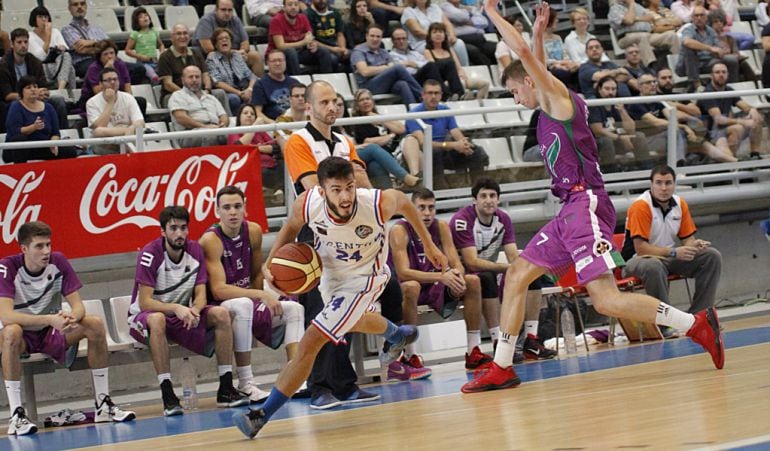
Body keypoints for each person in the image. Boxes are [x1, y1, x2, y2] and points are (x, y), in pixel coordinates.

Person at [462, 0, 725, 394]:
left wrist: (491, 12)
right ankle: (501, 366)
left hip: (584, 205)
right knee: (517, 275)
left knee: (605, 300)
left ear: (530, 82)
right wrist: (538, 31)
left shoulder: (555, 98)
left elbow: (522, 58)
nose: (517, 100)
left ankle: (697, 324)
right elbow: (532, 61)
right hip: (568, 210)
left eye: (515, 91)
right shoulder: (548, 97)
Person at [233, 156, 447, 439]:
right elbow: (290, 226)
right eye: (336, 189)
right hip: (329, 276)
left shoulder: (376, 203)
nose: (345, 196)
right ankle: (396, 335)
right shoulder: (308, 204)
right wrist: (270, 264)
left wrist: (429, 245)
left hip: (365, 278)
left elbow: (406, 203)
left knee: (310, 341)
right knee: (351, 321)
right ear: (322, 191)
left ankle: (260, 415)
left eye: (349, 187)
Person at [281, 81, 378, 411]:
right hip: (315, 234)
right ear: (308, 107)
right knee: (320, 311)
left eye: (335, 101)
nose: (332, 107)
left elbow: (364, 185)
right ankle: (319, 384)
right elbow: (313, 190)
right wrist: (349, 186)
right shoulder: (298, 141)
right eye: (324, 102)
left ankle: (344, 383)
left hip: (348, 233)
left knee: (348, 306)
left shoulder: (344, 141)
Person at [0, 221, 135, 436]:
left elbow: (78, 305)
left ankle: (103, 405)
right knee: (10, 332)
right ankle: (16, 415)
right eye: (39, 246)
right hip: (23, 337)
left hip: (51, 333)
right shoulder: (7, 267)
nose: (46, 251)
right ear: (24, 249)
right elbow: (6, 316)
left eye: (48, 245)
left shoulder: (59, 262)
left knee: (95, 324)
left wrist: (72, 317)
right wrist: (49, 319)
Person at [128, 206, 248, 416]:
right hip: (146, 317)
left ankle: (226, 388)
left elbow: (200, 294)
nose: (179, 234)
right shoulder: (149, 253)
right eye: (173, 228)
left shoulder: (195, 250)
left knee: (221, 314)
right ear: (163, 231)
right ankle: (168, 394)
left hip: (181, 314)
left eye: (183, 228)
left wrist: (194, 310)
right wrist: (176, 308)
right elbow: (145, 302)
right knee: (157, 320)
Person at [199, 186, 306, 402]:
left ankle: (296, 380)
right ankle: (246, 383)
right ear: (216, 211)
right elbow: (218, 289)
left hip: (248, 298)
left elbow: (256, 272)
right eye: (226, 207)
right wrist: (260, 295)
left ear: (245, 208)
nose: (232, 212)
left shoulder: (254, 231)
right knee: (242, 305)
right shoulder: (210, 240)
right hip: (218, 307)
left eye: (237, 206)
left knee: (295, 309)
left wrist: (264, 295)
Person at [450, 178, 556, 364]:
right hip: (461, 277)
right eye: (483, 196)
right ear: (474, 199)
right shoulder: (462, 220)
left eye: (492, 196)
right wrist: (509, 268)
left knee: (531, 277)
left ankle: (531, 339)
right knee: (487, 277)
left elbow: (513, 256)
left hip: (488, 272)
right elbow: (472, 262)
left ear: (498, 199)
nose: (489, 200)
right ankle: (498, 342)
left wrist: (523, 269)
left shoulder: (503, 219)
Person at [390, 187, 488, 379]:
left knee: (473, 281)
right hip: (409, 288)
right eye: (421, 208)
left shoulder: (441, 227)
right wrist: (442, 277)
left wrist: (456, 276)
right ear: (411, 208)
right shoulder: (399, 230)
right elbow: (403, 273)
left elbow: (455, 262)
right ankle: (411, 355)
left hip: (437, 284)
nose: (427, 213)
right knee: (411, 286)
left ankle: (473, 350)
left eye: (431, 208)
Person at [622, 165, 722, 320]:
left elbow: (688, 238)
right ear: (651, 184)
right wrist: (675, 252)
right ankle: (666, 322)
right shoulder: (640, 206)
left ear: (674, 185)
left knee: (711, 256)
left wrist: (693, 246)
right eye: (659, 183)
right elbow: (641, 249)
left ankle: (699, 317)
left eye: (668, 183)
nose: (663, 188)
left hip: (667, 258)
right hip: (637, 261)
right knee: (653, 266)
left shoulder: (680, 204)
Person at [629, 72, 735, 163]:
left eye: (654, 82)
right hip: (646, 141)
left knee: (700, 143)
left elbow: (671, 117)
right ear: (639, 87)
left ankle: (735, 163)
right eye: (648, 83)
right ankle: (678, 168)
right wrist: (685, 127)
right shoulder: (636, 103)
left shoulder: (658, 100)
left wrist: (688, 125)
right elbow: (656, 122)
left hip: (665, 137)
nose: (652, 85)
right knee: (678, 132)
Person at [402, 79, 489, 188]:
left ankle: (479, 189)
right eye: (430, 93)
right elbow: (423, 143)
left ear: (441, 95)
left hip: (445, 151)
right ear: (423, 95)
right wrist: (453, 145)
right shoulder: (413, 115)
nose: (433, 96)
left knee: (475, 151)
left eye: (436, 93)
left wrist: (464, 144)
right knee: (435, 152)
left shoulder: (445, 110)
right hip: (425, 154)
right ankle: (442, 193)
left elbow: (455, 132)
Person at [0, 28, 68, 135]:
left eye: (26, 42)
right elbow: (7, 95)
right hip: (15, 101)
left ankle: (64, 136)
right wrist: (28, 95)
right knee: (10, 106)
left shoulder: (35, 61)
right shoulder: (3, 65)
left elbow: (43, 87)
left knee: (58, 101)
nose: (23, 45)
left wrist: (43, 92)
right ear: (12, 44)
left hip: (36, 99)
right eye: (19, 42)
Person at [61, 0, 144, 82]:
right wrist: (100, 46)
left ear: (86, 6)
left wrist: (92, 43)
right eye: (75, 5)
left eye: (82, 4)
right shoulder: (67, 30)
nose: (79, 7)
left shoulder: (97, 29)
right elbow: (81, 49)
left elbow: (110, 46)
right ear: (69, 8)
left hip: (106, 58)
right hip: (84, 62)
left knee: (138, 69)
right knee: (101, 71)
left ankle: (120, 91)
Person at [697, 62, 765, 160]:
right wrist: (742, 121)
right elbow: (719, 119)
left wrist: (752, 110)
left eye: (724, 72)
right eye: (717, 72)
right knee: (737, 128)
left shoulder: (728, 90)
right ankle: (733, 164)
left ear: (728, 75)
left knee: (757, 118)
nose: (721, 75)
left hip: (725, 128)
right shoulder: (707, 93)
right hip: (711, 131)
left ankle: (755, 155)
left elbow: (744, 106)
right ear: (711, 75)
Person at [3, 76, 78, 164]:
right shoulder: (16, 107)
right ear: (21, 91)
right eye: (28, 88)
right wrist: (33, 127)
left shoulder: (49, 107)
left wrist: (53, 143)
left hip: (43, 146)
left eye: (35, 87)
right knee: (19, 139)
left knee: (69, 150)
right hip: (22, 148)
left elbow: (55, 133)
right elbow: (14, 131)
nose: (33, 90)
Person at [588, 75, 654, 172]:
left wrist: (622, 111)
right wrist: (620, 138)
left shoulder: (618, 103)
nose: (610, 92)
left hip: (617, 138)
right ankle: (612, 174)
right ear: (599, 89)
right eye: (607, 89)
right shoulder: (594, 104)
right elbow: (598, 131)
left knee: (639, 136)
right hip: (598, 142)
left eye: (613, 89)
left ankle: (646, 171)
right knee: (606, 141)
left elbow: (631, 129)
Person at [157, 24, 229, 113]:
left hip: (199, 92)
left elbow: (205, 75)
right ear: (171, 38)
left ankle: (227, 123)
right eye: (179, 34)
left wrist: (206, 90)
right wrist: (188, 95)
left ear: (189, 37)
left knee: (219, 93)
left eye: (185, 33)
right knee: (179, 100)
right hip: (175, 94)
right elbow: (168, 84)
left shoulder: (196, 53)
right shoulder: (165, 57)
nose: (183, 36)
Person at [351, 24, 423, 105]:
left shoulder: (383, 52)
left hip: (385, 84)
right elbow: (365, 72)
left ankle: (413, 112)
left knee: (403, 84)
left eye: (378, 36)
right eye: (372, 36)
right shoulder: (358, 51)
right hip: (368, 87)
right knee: (398, 67)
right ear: (366, 36)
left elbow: (391, 67)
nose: (375, 39)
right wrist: (385, 67)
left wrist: (384, 68)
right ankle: (423, 97)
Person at [676, 5, 737, 92]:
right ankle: (696, 83)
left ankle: (730, 86)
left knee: (731, 59)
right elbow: (687, 42)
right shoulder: (688, 30)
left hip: (707, 62)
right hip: (686, 66)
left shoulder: (710, 31)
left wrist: (721, 50)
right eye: (696, 16)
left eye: (701, 15)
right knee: (689, 48)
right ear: (692, 18)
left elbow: (718, 48)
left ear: (706, 18)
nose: (699, 18)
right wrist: (709, 48)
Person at [228, 104, 285, 198]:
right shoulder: (234, 132)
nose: (249, 115)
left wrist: (257, 148)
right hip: (252, 167)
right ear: (239, 117)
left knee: (284, 165)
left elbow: (275, 147)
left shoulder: (260, 132)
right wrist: (254, 127)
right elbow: (239, 147)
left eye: (252, 114)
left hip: (271, 165)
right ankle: (276, 192)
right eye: (245, 113)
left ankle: (279, 192)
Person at [194, 0, 263, 77]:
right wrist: (233, 53)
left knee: (255, 56)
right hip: (214, 57)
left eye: (230, 10)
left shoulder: (235, 20)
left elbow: (245, 43)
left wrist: (240, 53)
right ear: (216, 10)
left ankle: (259, 86)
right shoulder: (206, 20)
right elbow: (208, 49)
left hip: (236, 57)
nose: (227, 13)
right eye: (223, 10)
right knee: (213, 55)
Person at [79, 40, 147, 118]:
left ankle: (139, 127)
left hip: (118, 98)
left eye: (112, 53)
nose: (110, 56)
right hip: (97, 100)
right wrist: (106, 71)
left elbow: (127, 86)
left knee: (139, 101)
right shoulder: (94, 68)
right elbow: (98, 92)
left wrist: (129, 101)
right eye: (105, 54)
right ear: (99, 57)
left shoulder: (120, 64)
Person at [86, 67, 145, 155]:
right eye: (108, 80)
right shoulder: (92, 102)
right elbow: (99, 130)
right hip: (105, 144)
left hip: (129, 139)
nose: (113, 82)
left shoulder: (128, 98)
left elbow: (140, 122)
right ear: (101, 84)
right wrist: (110, 102)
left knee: (136, 134)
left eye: (115, 79)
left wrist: (131, 128)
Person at [267, 0, 334, 75]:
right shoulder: (276, 20)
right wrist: (303, 42)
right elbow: (281, 46)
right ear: (284, 8)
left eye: (296, 4)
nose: (293, 7)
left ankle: (326, 80)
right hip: (279, 54)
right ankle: (297, 82)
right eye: (290, 5)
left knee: (323, 51)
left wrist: (312, 44)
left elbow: (309, 36)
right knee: (291, 52)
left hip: (299, 53)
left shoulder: (303, 18)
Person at [424, 22, 489, 100]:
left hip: (456, 78)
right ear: (430, 36)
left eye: (441, 32)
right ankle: (461, 96)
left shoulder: (449, 49)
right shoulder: (428, 51)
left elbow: (458, 66)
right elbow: (434, 70)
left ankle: (479, 105)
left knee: (484, 84)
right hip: (442, 80)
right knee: (456, 84)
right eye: (434, 32)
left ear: (445, 35)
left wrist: (462, 74)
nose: (438, 34)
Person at [169, 65, 229, 148]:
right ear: (183, 80)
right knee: (210, 135)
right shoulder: (178, 96)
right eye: (190, 77)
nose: (194, 80)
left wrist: (222, 125)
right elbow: (181, 118)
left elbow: (223, 116)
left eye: (197, 77)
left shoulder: (211, 98)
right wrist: (205, 127)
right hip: (190, 133)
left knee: (234, 135)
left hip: (214, 128)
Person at [608, 0, 680, 68]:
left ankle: (679, 63)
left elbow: (650, 18)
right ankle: (651, 66)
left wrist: (635, 19)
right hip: (626, 37)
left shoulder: (638, 7)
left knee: (671, 35)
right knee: (642, 36)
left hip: (647, 34)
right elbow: (629, 20)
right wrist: (631, 4)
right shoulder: (615, 8)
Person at [401, 0, 470, 66]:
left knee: (459, 43)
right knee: (441, 47)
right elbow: (417, 31)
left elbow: (447, 24)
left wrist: (452, 35)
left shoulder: (435, 8)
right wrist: (437, 38)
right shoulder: (408, 11)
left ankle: (465, 71)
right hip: (422, 43)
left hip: (442, 39)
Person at [206, 28, 257, 115]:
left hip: (244, 89)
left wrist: (250, 89)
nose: (224, 40)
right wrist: (239, 93)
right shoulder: (212, 59)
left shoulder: (236, 55)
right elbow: (217, 83)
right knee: (234, 99)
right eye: (220, 39)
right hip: (227, 93)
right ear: (216, 44)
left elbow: (251, 76)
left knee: (258, 91)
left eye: (227, 38)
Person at [28, 6, 77, 92]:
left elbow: (65, 49)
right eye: (40, 17)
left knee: (66, 56)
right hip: (42, 68)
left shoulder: (55, 32)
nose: (44, 19)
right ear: (34, 19)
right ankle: (66, 91)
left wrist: (60, 49)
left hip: (58, 65)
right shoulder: (30, 36)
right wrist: (48, 37)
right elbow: (40, 57)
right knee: (70, 69)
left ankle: (61, 89)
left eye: (46, 17)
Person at [440, 0, 497, 66]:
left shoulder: (468, 7)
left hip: (479, 39)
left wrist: (468, 20)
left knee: (497, 47)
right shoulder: (444, 6)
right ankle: (489, 72)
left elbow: (484, 22)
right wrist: (469, 14)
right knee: (474, 51)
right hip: (462, 39)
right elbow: (462, 17)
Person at [709, 9, 756, 83]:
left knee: (744, 64)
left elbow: (736, 53)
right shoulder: (709, 38)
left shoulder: (730, 38)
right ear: (711, 24)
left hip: (732, 62)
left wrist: (731, 55)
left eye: (721, 21)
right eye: (716, 22)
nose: (719, 24)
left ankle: (756, 85)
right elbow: (711, 54)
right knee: (731, 61)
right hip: (717, 62)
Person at [252, 49, 299, 121]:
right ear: (267, 63)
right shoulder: (260, 84)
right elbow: (258, 113)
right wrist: (275, 125)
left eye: (280, 60)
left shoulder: (294, 82)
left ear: (285, 62)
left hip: (295, 122)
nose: (277, 63)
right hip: (272, 125)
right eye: (274, 61)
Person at [541, 7, 580, 91]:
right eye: (555, 19)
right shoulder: (538, 39)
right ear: (549, 20)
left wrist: (568, 63)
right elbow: (545, 60)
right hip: (550, 68)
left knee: (578, 70)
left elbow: (565, 54)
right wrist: (561, 63)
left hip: (562, 65)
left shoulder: (557, 38)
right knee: (562, 73)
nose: (557, 21)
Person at [125, 7, 165, 85]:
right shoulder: (135, 34)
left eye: (146, 15)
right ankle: (154, 78)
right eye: (141, 17)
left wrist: (162, 53)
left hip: (155, 60)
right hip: (143, 62)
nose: (144, 18)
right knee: (147, 69)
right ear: (136, 21)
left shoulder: (154, 31)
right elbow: (127, 50)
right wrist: (140, 56)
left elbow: (161, 45)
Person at [306, 0, 349, 71]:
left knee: (352, 55)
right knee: (333, 59)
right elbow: (312, 40)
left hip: (335, 47)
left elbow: (340, 34)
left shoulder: (335, 12)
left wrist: (342, 49)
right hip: (319, 49)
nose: (321, 1)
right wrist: (333, 49)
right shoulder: (307, 14)